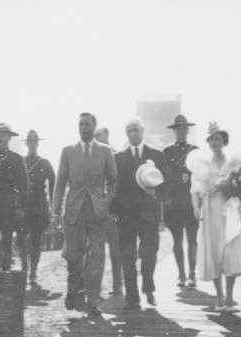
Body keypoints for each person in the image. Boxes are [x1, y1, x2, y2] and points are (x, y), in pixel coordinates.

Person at [52, 113, 117, 317]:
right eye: (81, 124)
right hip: (73, 212)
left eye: (88, 124)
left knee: (97, 257)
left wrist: (106, 201)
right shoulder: (68, 151)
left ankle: (92, 302)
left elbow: (113, 181)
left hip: (97, 213)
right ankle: (73, 288)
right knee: (74, 256)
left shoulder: (105, 152)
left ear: (94, 126)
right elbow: (60, 183)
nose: (84, 128)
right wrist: (55, 211)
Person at [189, 123, 241, 313]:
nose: (214, 142)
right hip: (211, 209)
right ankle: (219, 296)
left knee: (230, 250)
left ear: (224, 141)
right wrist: (196, 207)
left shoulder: (234, 163)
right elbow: (195, 189)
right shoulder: (203, 163)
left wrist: (232, 189)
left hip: (229, 210)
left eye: (218, 139)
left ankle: (230, 296)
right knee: (213, 251)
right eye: (211, 139)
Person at [112, 119, 166, 310]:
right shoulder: (118, 157)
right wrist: (114, 210)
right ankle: (132, 297)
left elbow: (164, 185)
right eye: (129, 131)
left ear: (142, 131)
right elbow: (114, 187)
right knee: (127, 256)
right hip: (126, 215)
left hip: (148, 214)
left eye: (135, 130)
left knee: (149, 252)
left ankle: (148, 285)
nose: (132, 134)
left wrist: (156, 194)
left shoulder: (156, 155)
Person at [163, 114, 199, 288]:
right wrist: (166, 199)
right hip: (174, 204)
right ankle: (181, 275)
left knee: (192, 240)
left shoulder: (195, 150)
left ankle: (192, 274)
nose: (181, 131)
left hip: (191, 202)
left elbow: (200, 176)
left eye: (184, 128)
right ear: (174, 131)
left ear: (188, 130)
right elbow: (162, 178)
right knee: (177, 241)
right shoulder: (167, 152)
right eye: (178, 128)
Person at [18, 130, 55, 286]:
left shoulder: (45, 163)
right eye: (30, 141)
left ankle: (33, 270)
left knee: (35, 240)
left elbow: (53, 183)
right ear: (26, 143)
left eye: (34, 141)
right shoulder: (20, 161)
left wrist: (53, 204)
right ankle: (24, 267)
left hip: (39, 205)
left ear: (37, 143)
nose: (32, 144)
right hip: (23, 206)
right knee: (20, 238)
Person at [0, 123, 28, 271]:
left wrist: (21, 208)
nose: (1, 138)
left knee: (6, 242)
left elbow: (24, 186)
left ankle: (5, 274)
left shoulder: (17, 159)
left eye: (4, 135)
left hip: (8, 208)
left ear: (9, 138)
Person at [94, 127, 123, 295]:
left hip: (113, 209)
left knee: (115, 249)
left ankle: (117, 285)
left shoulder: (116, 155)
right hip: (96, 209)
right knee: (96, 249)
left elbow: (119, 183)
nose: (97, 139)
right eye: (95, 136)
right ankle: (95, 287)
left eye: (100, 135)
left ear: (108, 135)